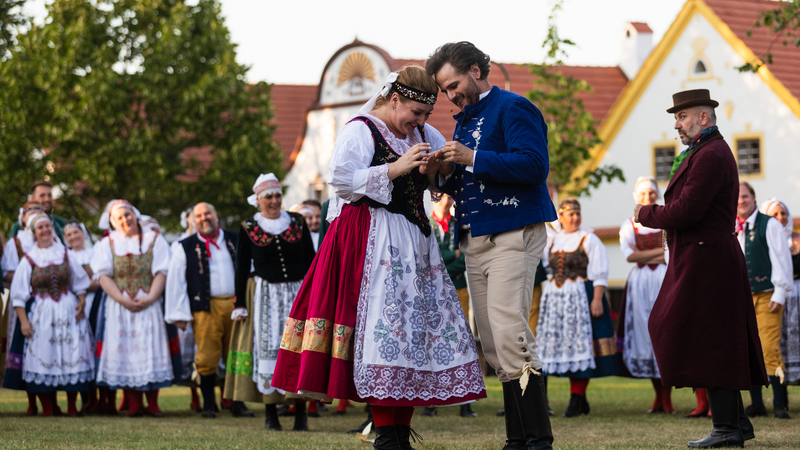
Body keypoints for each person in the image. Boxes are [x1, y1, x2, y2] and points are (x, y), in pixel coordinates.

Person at [271, 66, 486, 450]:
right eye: (414, 114)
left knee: (411, 334)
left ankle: (400, 433)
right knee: (383, 329)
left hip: (415, 241)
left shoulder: (421, 132)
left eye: (424, 116)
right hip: (372, 236)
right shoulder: (361, 129)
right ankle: (386, 434)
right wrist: (397, 167)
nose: (418, 123)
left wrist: (438, 170)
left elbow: (442, 180)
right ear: (395, 99)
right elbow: (341, 179)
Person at [424, 41, 555, 449]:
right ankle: (517, 440)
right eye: (445, 90)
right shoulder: (466, 119)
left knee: (510, 335)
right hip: (476, 241)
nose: (450, 95)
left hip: (513, 232)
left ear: (477, 71)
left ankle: (538, 440)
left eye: (453, 84)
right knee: (494, 344)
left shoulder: (514, 108)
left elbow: (535, 165)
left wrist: (471, 157)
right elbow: (468, 177)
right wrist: (441, 173)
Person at [635, 89, 767, 448]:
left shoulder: (710, 155)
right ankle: (736, 423)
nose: (676, 125)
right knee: (711, 336)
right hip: (701, 256)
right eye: (676, 118)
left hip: (707, 258)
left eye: (681, 117)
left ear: (703, 118)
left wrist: (644, 214)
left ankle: (727, 428)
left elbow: (686, 210)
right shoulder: (705, 151)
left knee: (710, 339)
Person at [223, 173, 315, 431]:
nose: (274, 201)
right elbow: (241, 266)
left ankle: (301, 414)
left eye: (277, 195)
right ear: (259, 200)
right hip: (265, 295)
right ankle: (270, 413)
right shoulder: (249, 227)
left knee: (300, 348)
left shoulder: (296, 221)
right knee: (269, 349)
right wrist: (239, 302)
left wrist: (316, 293)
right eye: (268, 197)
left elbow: (310, 259)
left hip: (297, 294)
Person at [91, 200, 180, 417]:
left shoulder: (154, 240)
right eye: (119, 218)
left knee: (150, 348)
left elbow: (162, 272)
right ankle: (133, 404)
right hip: (118, 306)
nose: (125, 220)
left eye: (127, 215)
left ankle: (153, 403)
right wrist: (121, 300)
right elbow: (103, 275)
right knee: (125, 351)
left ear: (135, 214)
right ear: (114, 221)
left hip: (148, 303)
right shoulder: (108, 243)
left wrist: (150, 298)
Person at [165, 202, 254, 419]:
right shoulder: (184, 246)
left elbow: (250, 269)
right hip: (205, 308)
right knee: (206, 356)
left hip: (236, 305)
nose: (204, 218)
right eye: (199, 215)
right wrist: (179, 313)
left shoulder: (235, 238)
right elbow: (176, 280)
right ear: (193, 221)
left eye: (208, 213)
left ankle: (237, 403)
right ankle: (208, 404)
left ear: (216, 216)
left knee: (236, 354)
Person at [3, 213, 94, 416]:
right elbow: (18, 293)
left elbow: (79, 281)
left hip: (68, 311)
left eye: (47, 226)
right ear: (34, 233)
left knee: (72, 354)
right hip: (41, 313)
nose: (45, 230)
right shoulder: (29, 259)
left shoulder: (64, 253)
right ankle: (47, 408)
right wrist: (24, 321)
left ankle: (72, 407)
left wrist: (81, 300)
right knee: (44, 355)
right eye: (40, 228)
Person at [538, 198, 617, 417]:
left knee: (582, 345)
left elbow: (600, 271)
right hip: (556, 302)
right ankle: (578, 401)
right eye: (570, 214)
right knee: (564, 347)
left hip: (582, 296)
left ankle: (577, 399)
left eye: (577, 213)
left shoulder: (589, 239)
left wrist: (597, 299)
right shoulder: (553, 242)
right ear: (560, 217)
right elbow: (548, 267)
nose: (575, 217)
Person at [735, 183, 793, 419]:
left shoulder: (769, 224)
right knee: (749, 349)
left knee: (769, 348)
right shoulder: (731, 227)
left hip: (768, 294)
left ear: (753, 198)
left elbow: (782, 258)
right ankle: (757, 403)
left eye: (745, 196)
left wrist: (780, 292)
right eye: (737, 197)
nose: (741, 201)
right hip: (741, 297)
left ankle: (779, 402)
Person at [617, 177, 672, 414]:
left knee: (666, 331)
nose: (648, 198)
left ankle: (667, 397)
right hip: (640, 284)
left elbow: (673, 255)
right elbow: (629, 256)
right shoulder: (629, 224)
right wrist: (661, 252)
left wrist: (646, 254)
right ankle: (658, 397)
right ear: (636, 197)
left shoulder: (668, 220)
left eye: (651, 194)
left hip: (663, 278)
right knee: (644, 333)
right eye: (643, 195)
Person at [420, 193, 478, 419]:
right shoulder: (425, 222)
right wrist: (450, 256)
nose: (448, 200)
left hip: (458, 287)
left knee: (462, 340)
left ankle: (466, 400)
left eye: (450, 197)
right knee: (432, 341)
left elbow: (465, 257)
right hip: (432, 290)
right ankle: (431, 399)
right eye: (443, 196)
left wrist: (444, 264)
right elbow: (426, 258)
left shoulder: (458, 224)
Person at [2, 201, 48, 416]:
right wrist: (29, 277)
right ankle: (31, 401)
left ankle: (50, 401)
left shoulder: (52, 240)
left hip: (48, 301)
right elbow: (7, 273)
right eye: (30, 212)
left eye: (38, 212)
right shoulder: (16, 243)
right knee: (23, 347)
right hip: (23, 300)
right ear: (22, 219)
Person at [63, 220, 102, 413]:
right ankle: (84, 398)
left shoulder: (94, 252)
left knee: (94, 347)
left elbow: (98, 282)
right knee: (79, 350)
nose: (73, 237)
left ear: (82, 233)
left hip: (94, 303)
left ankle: (99, 397)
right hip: (74, 306)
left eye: (75, 233)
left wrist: (80, 284)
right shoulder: (64, 255)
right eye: (69, 235)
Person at [760, 199, 800, 388]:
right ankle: (780, 394)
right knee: (776, 341)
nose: (780, 217)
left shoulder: (797, 239)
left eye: (783, 213)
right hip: (774, 295)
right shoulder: (763, 240)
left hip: (797, 295)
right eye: (775, 214)